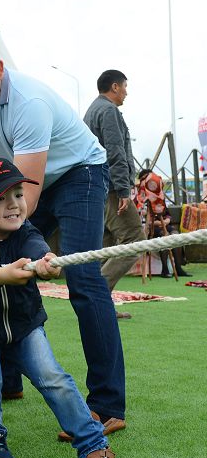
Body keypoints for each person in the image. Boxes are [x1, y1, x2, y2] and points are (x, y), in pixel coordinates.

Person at [0, 29, 126, 438]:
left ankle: (107, 405)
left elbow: (26, 202)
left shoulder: (29, 104)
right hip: (16, 184)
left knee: (83, 279)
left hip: (78, 175)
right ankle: (4, 381)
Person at [0, 158, 116, 458]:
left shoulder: (25, 230)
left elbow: (36, 248)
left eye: (17, 193)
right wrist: (2, 273)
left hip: (24, 326)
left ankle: (95, 447)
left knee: (52, 376)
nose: (13, 204)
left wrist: (46, 263)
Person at [84, 70, 146, 292]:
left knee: (107, 245)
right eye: (125, 87)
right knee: (135, 240)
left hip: (97, 186)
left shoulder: (92, 110)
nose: (127, 92)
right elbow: (115, 151)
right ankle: (98, 295)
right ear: (115, 87)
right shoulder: (109, 111)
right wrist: (123, 189)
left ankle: (100, 303)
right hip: (111, 187)